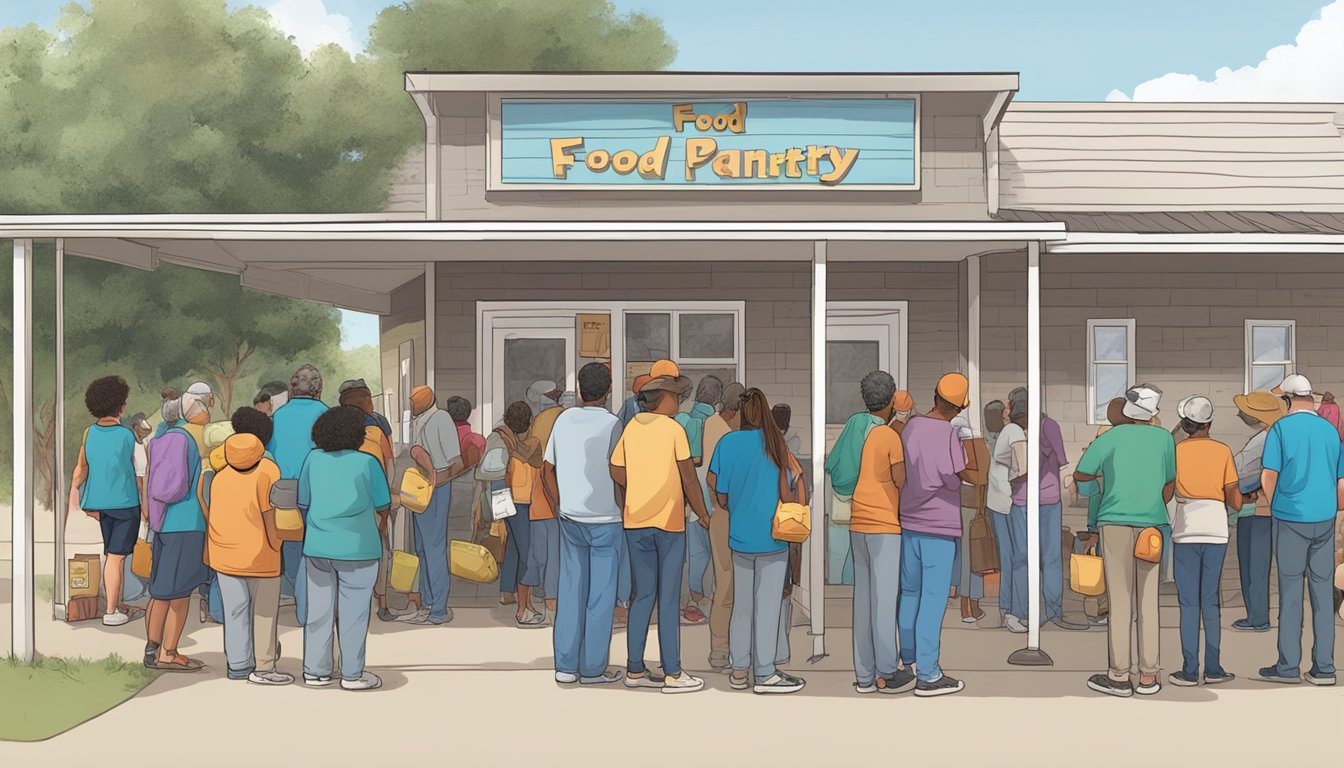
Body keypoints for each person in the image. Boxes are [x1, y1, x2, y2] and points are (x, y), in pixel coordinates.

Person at [610, 359, 710, 694]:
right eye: (676, 396)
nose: (679, 402)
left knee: (642, 596)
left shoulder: (632, 428)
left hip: (635, 521)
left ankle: (635, 670)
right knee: (668, 599)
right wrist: (704, 514)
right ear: (663, 397)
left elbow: (616, 472)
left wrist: (636, 490)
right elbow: (689, 480)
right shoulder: (673, 430)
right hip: (668, 524)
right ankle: (673, 673)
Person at [1075, 384, 1175, 698]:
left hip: (1115, 522)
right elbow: (1170, 484)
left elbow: (1081, 474)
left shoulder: (1111, 438)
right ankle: (1149, 676)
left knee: (1120, 602)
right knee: (1148, 602)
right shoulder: (1164, 439)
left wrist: (1105, 484)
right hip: (1152, 526)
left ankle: (1119, 676)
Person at [709, 388, 808, 694]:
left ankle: (739, 670)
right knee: (766, 607)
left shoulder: (727, 443)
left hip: (739, 537)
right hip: (773, 537)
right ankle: (764, 673)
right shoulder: (776, 443)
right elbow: (797, 482)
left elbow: (719, 491)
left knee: (741, 605)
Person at [544, 363, 626, 686]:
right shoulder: (614, 425)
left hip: (570, 517)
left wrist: (557, 503)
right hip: (607, 518)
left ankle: (565, 666)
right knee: (601, 596)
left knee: (570, 590)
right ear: (608, 392)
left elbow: (545, 469)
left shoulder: (563, 421)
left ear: (579, 389)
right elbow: (621, 474)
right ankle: (593, 668)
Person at [298, 405, 390, 691]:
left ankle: (316, 671)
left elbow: (303, 502)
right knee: (354, 612)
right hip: (359, 547)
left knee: (319, 611)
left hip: (318, 546)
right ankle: (352, 674)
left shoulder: (313, 459)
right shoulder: (367, 463)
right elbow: (383, 504)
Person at [897, 373, 977, 697]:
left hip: (909, 522)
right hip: (939, 528)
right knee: (933, 599)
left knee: (910, 593)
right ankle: (928, 675)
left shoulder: (912, 426)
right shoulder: (949, 435)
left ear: (935, 396)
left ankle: (909, 660)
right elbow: (956, 475)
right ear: (958, 408)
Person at [1256, 374, 1339, 686]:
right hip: (1325, 519)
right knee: (1322, 594)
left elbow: (1268, 477)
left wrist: (1278, 505)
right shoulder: (1330, 431)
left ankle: (1289, 667)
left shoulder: (1281, 429)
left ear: (1288, 399)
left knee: (1291, 593)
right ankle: (1325, 668)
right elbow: (1341, 482)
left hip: (1291, 518)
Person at [846, 372, 914, 694]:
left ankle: (864, 675)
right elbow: (901, 479)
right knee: (885, 602)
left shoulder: (860, 431)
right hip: (884, 524)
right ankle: (887, 671)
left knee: (863, 601)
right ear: (889, 402)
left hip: (858, 521)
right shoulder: (888, 437)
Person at [1168, 395, 1241, 687]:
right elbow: (1234, 498)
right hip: (1216, 527)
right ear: (1208, 423)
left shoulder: (1176, 452)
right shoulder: (1223, 451)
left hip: (1186, 527)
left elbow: (1166, 492)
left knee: (1188, 603)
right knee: (1210, 601)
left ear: (1186, 425)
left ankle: (1189, 670)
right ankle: (1213, 668)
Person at [206, 431, 289, 685]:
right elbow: (270, 513)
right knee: (263, 612)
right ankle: (264, 668)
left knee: (235, 611)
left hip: (224, 553)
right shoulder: (268, 471)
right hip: (260, 553)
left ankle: (238, 664)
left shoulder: (220, 477)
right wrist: (277, 543)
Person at [1002, 387, 1086, 632]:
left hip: (1034, 499)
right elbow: (1059, 459)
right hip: (1035, 498)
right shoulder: (1040, 427)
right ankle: (1037, 611)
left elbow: (1057, 458)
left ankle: (1040, 611)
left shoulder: (1044, 427)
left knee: (1035, 558)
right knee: (1038, 558)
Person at [68, 375, 142, 627]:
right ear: (120, 405)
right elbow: (139, 473)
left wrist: (73, 494)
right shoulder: (127, 436)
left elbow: (81, 468)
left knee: (112, 553)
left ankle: (116, 603)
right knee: (116, 556)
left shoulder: (89, 433)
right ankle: (111, 612)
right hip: (124, 502)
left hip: (97, 504)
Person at [144, 394, 209, 672]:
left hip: (163, 523)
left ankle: (152, 648)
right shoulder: (188, 438)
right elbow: (181, 486)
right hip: (187, 521)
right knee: (179, 594)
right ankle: (168, 652)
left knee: (160, 590)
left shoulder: (160, 439)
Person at [267, 364, 327, 623]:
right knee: (313, 549)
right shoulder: (324, 413)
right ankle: (308, 608)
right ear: (318, 388)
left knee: (291, 548)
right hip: (315, 490)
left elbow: (270, 452)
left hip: (283, 491)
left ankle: (301, 601)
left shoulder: (278, 415)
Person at [339, 379, 400, 623]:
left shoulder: (331, 425)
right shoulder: (376, 426)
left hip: (342, 500)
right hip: (373, 498)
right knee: (381, 549)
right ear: (365, 400)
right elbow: (390, 463)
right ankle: (382, 602)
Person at [405, 385, 465, 626]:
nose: (411, 403)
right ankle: (427, 603)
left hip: (437, 489)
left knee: (435, 549)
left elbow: (457, 463)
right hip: (418, 490)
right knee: (421, 549)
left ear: (426, 400)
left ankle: (438, 609)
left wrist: (435, 482)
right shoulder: (418, 421)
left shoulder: (441, 419)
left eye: (414, 399)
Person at [824, 380, 891, 588]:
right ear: (890, 401)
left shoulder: (855, 421)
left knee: (838, 551)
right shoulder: (884, 430)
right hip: (870, 504)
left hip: (840, 497)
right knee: (861, 559)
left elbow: (832, 461)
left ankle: (836, 588)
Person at [1230, 390, 1285, 632]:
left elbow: (1247, 471)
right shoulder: (1273, 436)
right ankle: (1257, 614)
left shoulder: (1265, 439)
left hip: (1257, 510)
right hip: (1267, 509)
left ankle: (1257, 616)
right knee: (1259, 566)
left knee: (1254, 565)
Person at [705, 380, 746, 670]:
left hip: (722, 512)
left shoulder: (712, 425)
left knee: (726, 581)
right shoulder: (727, 434)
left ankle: (723, 646)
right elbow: (715, 480)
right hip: (728, 512)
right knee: (731, 582)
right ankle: (724, 646)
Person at [675, 374, 722, 625]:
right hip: (708, 500)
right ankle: (699, 602)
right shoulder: (716, 424)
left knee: (690, 556)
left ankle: (691, 602)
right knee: (711, 557)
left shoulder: (680, 420)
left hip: (679, 500)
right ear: (717, 398)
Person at [498, 400, 546, 628]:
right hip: (524, 502)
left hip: (505, 499)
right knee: (528, 555)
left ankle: (511, 594)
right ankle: (522, 609)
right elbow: (537, 464)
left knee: (515, 549)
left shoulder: (504, 442)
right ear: (529, 421)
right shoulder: (533, 443)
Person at [526, 389, 567, 621]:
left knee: (540, 549)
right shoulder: (565, 417)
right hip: (559, 491)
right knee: (555, 549)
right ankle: (551, 597)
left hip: (538, 493)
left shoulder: (539, 421)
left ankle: (544, 592)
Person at [983, 400, 1017, 629]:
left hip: (1000, 502)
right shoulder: (1007, 435)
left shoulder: (1002, 434)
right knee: (1010, 558)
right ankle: (1008, 609)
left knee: (1010, 558)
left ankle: (1009, 608)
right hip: (1005, 503)